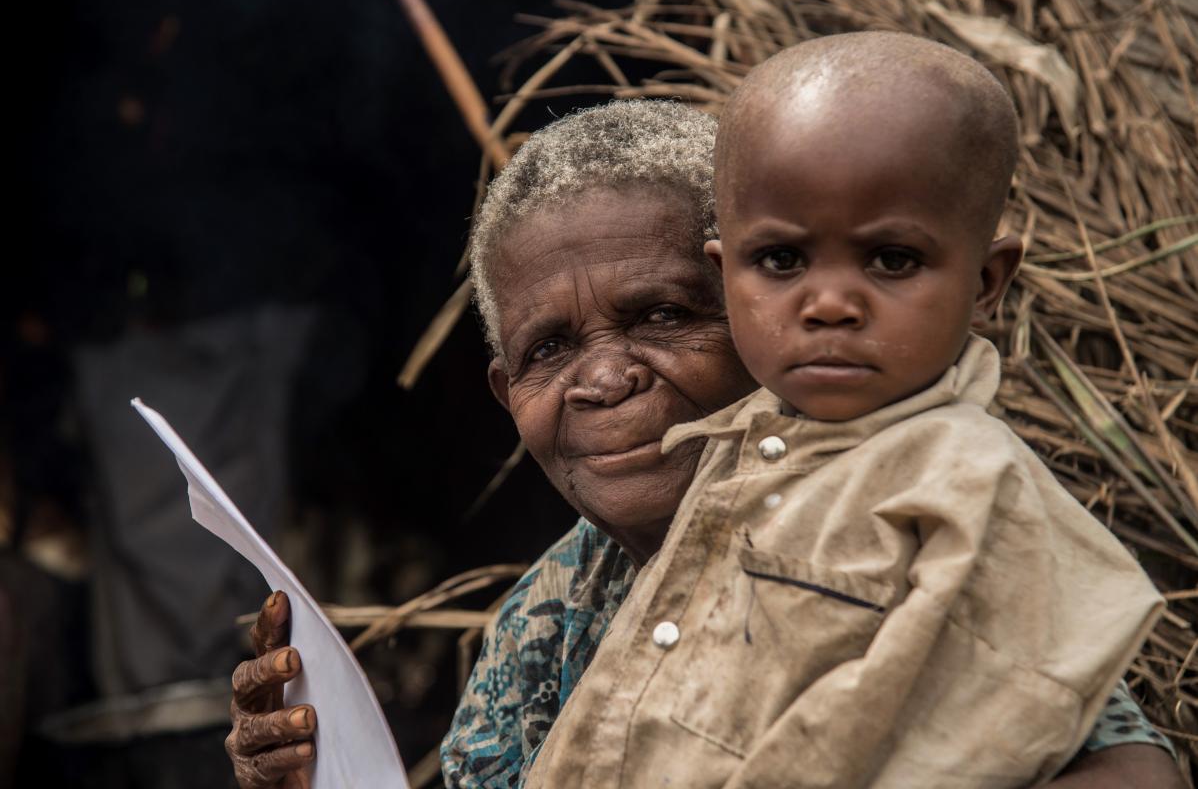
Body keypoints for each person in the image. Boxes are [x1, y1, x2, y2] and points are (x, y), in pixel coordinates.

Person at [223, 101, 1184, 788]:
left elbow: (1126, 764)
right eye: (549, 350)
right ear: (506, 393)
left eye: (666, 315)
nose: (604, 380)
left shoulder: (903, 512)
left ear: (765, 312)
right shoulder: (542, 621)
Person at [522, 37, 1168, 789]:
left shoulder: (974, 487)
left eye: (891, 260)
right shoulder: (722, 466)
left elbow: (1044, 737)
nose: (829, 304)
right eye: (782, 262)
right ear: (725, 273)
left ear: (987, 283)